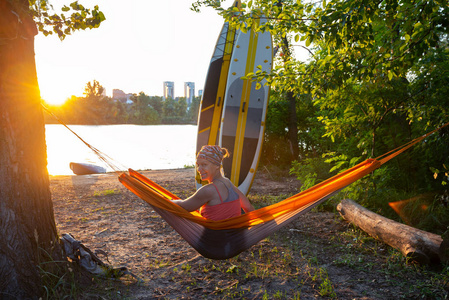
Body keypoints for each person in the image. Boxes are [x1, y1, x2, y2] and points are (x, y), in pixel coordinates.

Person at [172, 145, 254, 221]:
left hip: (215, 236)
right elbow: (248, 207)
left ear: (217, 166)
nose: (199, 169)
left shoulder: (209, 190)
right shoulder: (228, 183)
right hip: (235, 234)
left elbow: (184, 206)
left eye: (204, 164)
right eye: (198, 165)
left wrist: (167, 201)